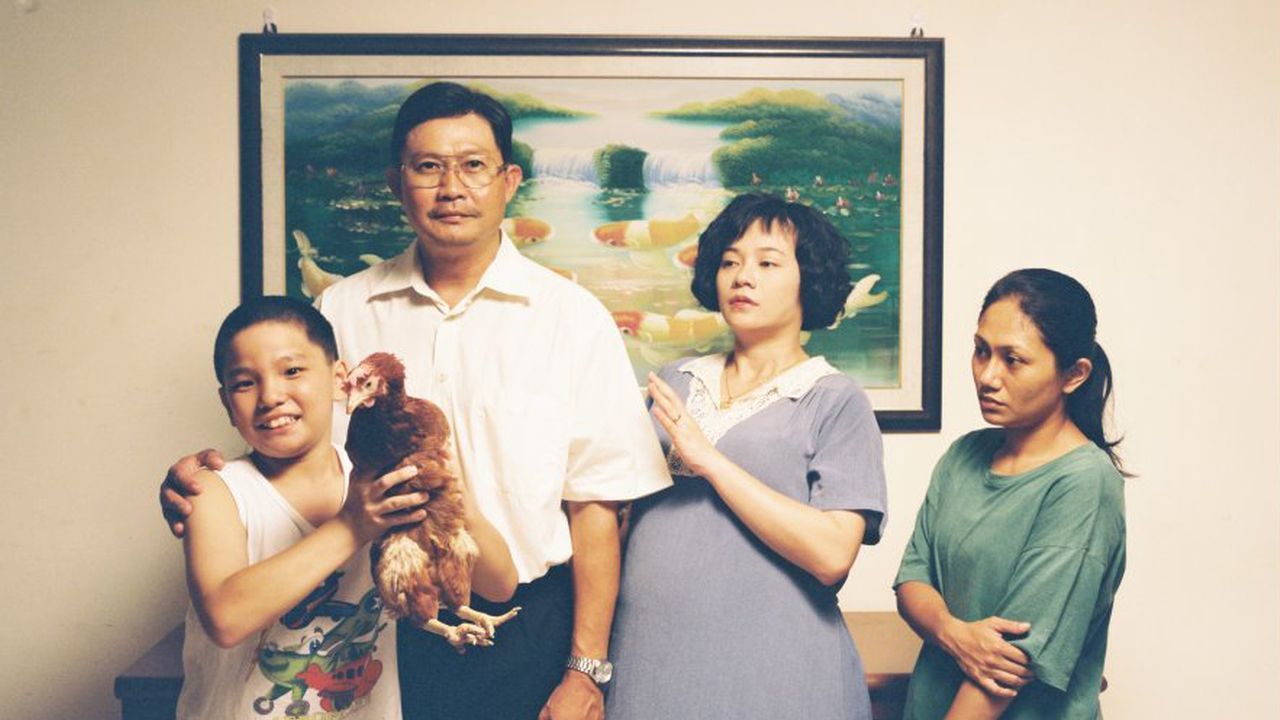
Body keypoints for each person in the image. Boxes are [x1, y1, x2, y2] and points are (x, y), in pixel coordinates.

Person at [162, 82, 671, 720]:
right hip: (373, 620)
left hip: (523, 620)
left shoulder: (572, 318)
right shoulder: (342, 309)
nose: (451, 188)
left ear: (509, 181)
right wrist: (205, 487)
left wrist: (585, 669)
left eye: (473, 165)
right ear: (397, 184)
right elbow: (292, 448)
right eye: (428, 166)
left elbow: (596, 503)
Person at [606, 192, 889, 719]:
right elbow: (621, 520)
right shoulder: (674, 381)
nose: (742, 277)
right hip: (650, 661)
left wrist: (710, 461)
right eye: (730, 262)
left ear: (809, 279)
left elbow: (832, 556)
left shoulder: (833, 398)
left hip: (777, 672)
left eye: (767, 263)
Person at [180, 296, 516, 718]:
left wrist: (451, 492)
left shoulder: (381, 476)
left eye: (292, 371)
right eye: (245, 383)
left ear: (341, 380)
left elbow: (499, 585)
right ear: (227, 403)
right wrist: (353, 525)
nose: (271, 395)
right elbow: (225, 619)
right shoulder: (215, 490)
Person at [894, 268, 1127, 719]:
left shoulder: (1084, 482)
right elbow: (911, 581)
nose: (987, 376)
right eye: (981, 351)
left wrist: (955, 635)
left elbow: (1013, 662)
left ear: (1074, 374)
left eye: (1013, 359)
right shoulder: (963, 455)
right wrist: (954, 634)